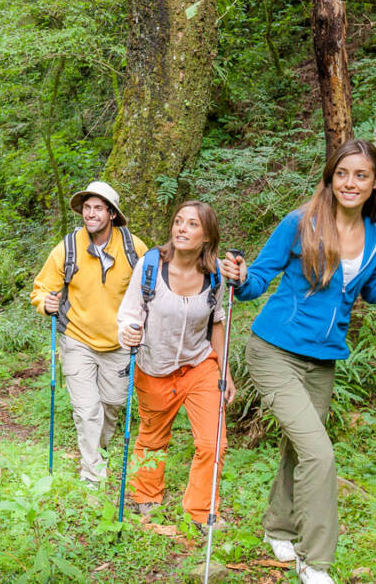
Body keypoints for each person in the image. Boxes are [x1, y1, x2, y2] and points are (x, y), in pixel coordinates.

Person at [220, 139, 376, 584]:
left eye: (361, 175)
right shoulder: (299, 222)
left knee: (298, 448)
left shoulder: (374, 235)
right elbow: (258, 279)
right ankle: (315, 560)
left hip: (322, 361)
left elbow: (373, 290)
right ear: (330, 176)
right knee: (319, 453)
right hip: (274, 351)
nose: (350, 182)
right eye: (342, 173)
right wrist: (241, 278)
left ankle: (278, 527)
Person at [116, 200, 233, 532]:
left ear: (207, 234)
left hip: (199, 365)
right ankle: (146, 494)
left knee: (214, 442)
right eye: (179, 222)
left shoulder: (214, 275)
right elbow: (128, 312)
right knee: (153, 436)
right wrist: (128, 330)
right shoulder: (151, 266)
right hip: (155, 365)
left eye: (192, 224)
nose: (182, 228)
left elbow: (217, 322)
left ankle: (201, 509)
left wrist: (224, 371)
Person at [31, 181, 146, 486]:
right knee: (86, 410)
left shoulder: (134, 249)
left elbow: (152, 289)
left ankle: (98, 448)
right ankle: (92, 471)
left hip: (119, 343)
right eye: (86, 207)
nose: (90, 213)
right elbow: (41, 289)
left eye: (98, 208)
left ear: (111, 213)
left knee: (112, 404)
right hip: (77, 339)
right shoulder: (67, 248)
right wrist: (47, 302)